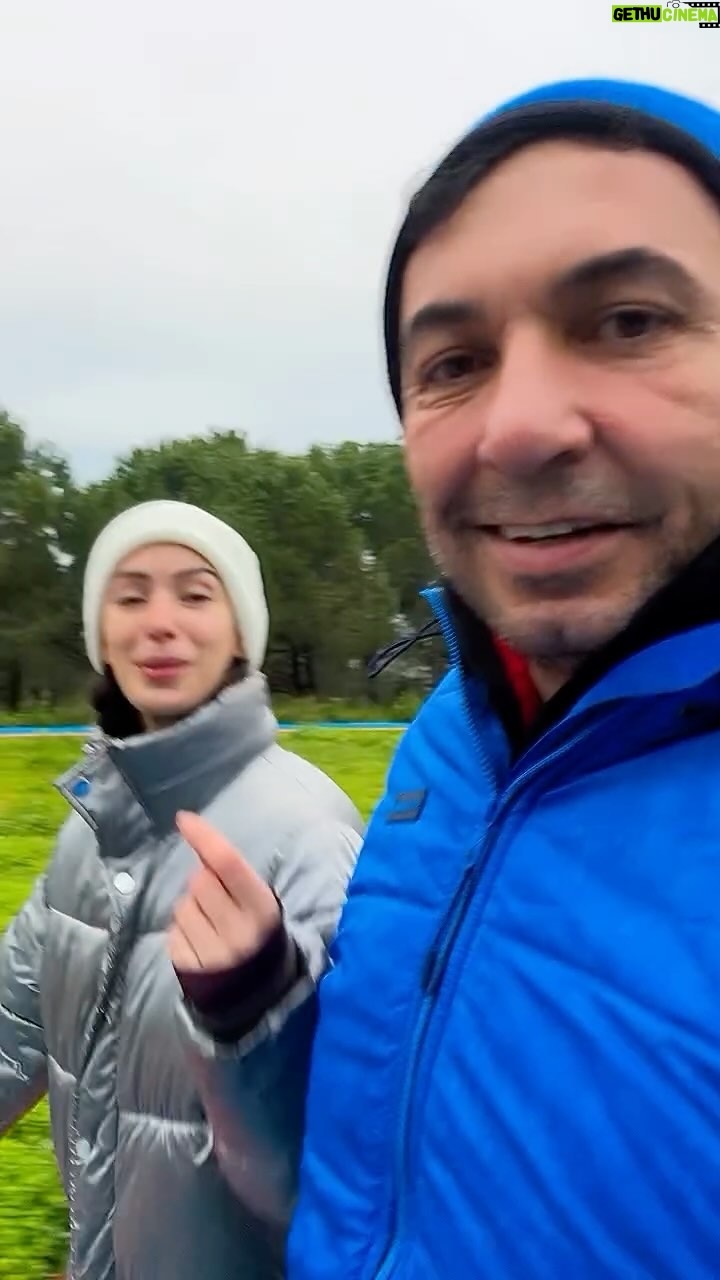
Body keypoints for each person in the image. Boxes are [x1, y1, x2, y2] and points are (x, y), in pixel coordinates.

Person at [172, 78, 720, 1277]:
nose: (516, 426)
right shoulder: (448, 745)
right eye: (455, 361)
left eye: (629, 320)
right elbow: (378, 1167)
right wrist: (256, 1005)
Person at [0, 499, 363, 1279]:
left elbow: (336, 1157)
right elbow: (10, 1026)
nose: (159, 624)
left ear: (241, 634)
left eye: (196, 594)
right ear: (101, 635)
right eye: (130, 597)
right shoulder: (88, 830)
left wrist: (254, 1003)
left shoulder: (306, 829)